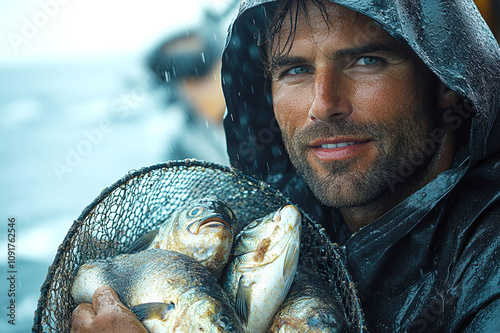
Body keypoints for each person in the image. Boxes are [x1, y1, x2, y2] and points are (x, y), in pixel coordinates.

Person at [71, 0, 500, 331]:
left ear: (446, 80)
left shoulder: (487, 259)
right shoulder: (275, 214)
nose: (323, 104)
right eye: (295, 70)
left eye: (367, 60)